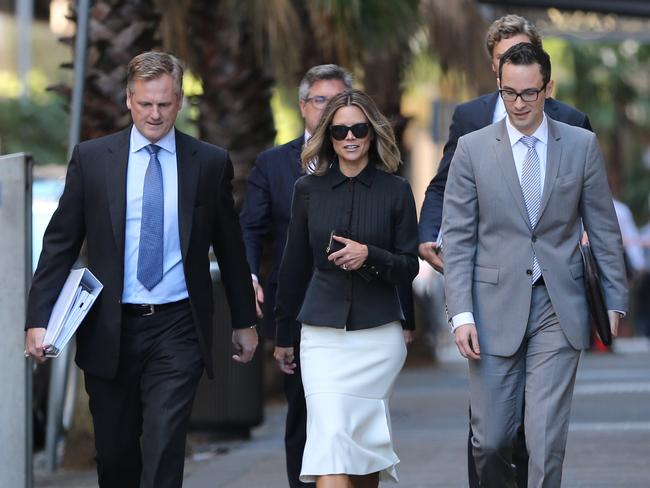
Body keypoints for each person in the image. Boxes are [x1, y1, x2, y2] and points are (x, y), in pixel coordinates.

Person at [24, 51, 258, 488]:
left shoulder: (208, 163)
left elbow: (229, 247)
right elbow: (59, 243)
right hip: (110, 326)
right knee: (114, 457)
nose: (155, 114)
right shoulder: (93, 159)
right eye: (146, 104)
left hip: (178, 326)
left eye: (165, 104)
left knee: (165, 445)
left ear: (180, 101)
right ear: (129, 100)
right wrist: (38, 320)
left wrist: (244, 320)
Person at [417, 14, 593, 486]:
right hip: (490, 292)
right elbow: (442, 187)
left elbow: (588, 199)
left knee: (539, 433)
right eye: (501, 63)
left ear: (540, 73)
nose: (514, 82)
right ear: (495, 68)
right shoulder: (471, 119)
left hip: (551, 293)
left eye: (521, 62)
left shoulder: (571, 124)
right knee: (491, 434)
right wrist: (428, 235)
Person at [442, 42, 628, 487]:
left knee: (544, 440)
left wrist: (615, 300)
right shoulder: (472, 149)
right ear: (500, 88)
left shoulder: (580, 145)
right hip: (490, 309)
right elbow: (460, 237)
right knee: (489, 441)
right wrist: (461, 314)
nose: (519, 103)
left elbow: (603, 228)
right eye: (510, 93)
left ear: (547, 89)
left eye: (529, 93)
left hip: (557, 306)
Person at [274, 89, 418, 487]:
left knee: (363, 449)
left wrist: (370, 255)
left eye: (358, 128)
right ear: (328, 136)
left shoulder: (396, 191)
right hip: (321, 337)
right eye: (340, 131)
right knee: (333, 436)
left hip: (378, 339)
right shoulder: (308, 190)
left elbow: (408, 266)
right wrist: (283, 333)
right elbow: (294, 266)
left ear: (372, 133)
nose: (350, 137)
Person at [239, 64, 352, 488]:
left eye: (337, 101)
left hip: (355, 304)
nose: (327, 110)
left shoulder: (364, 156)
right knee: (303, 409)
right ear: (303, 106)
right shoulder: (273, 164)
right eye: (319, 100)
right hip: (298, 309)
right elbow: (251, 227)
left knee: (350, 412)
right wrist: (248, 275)